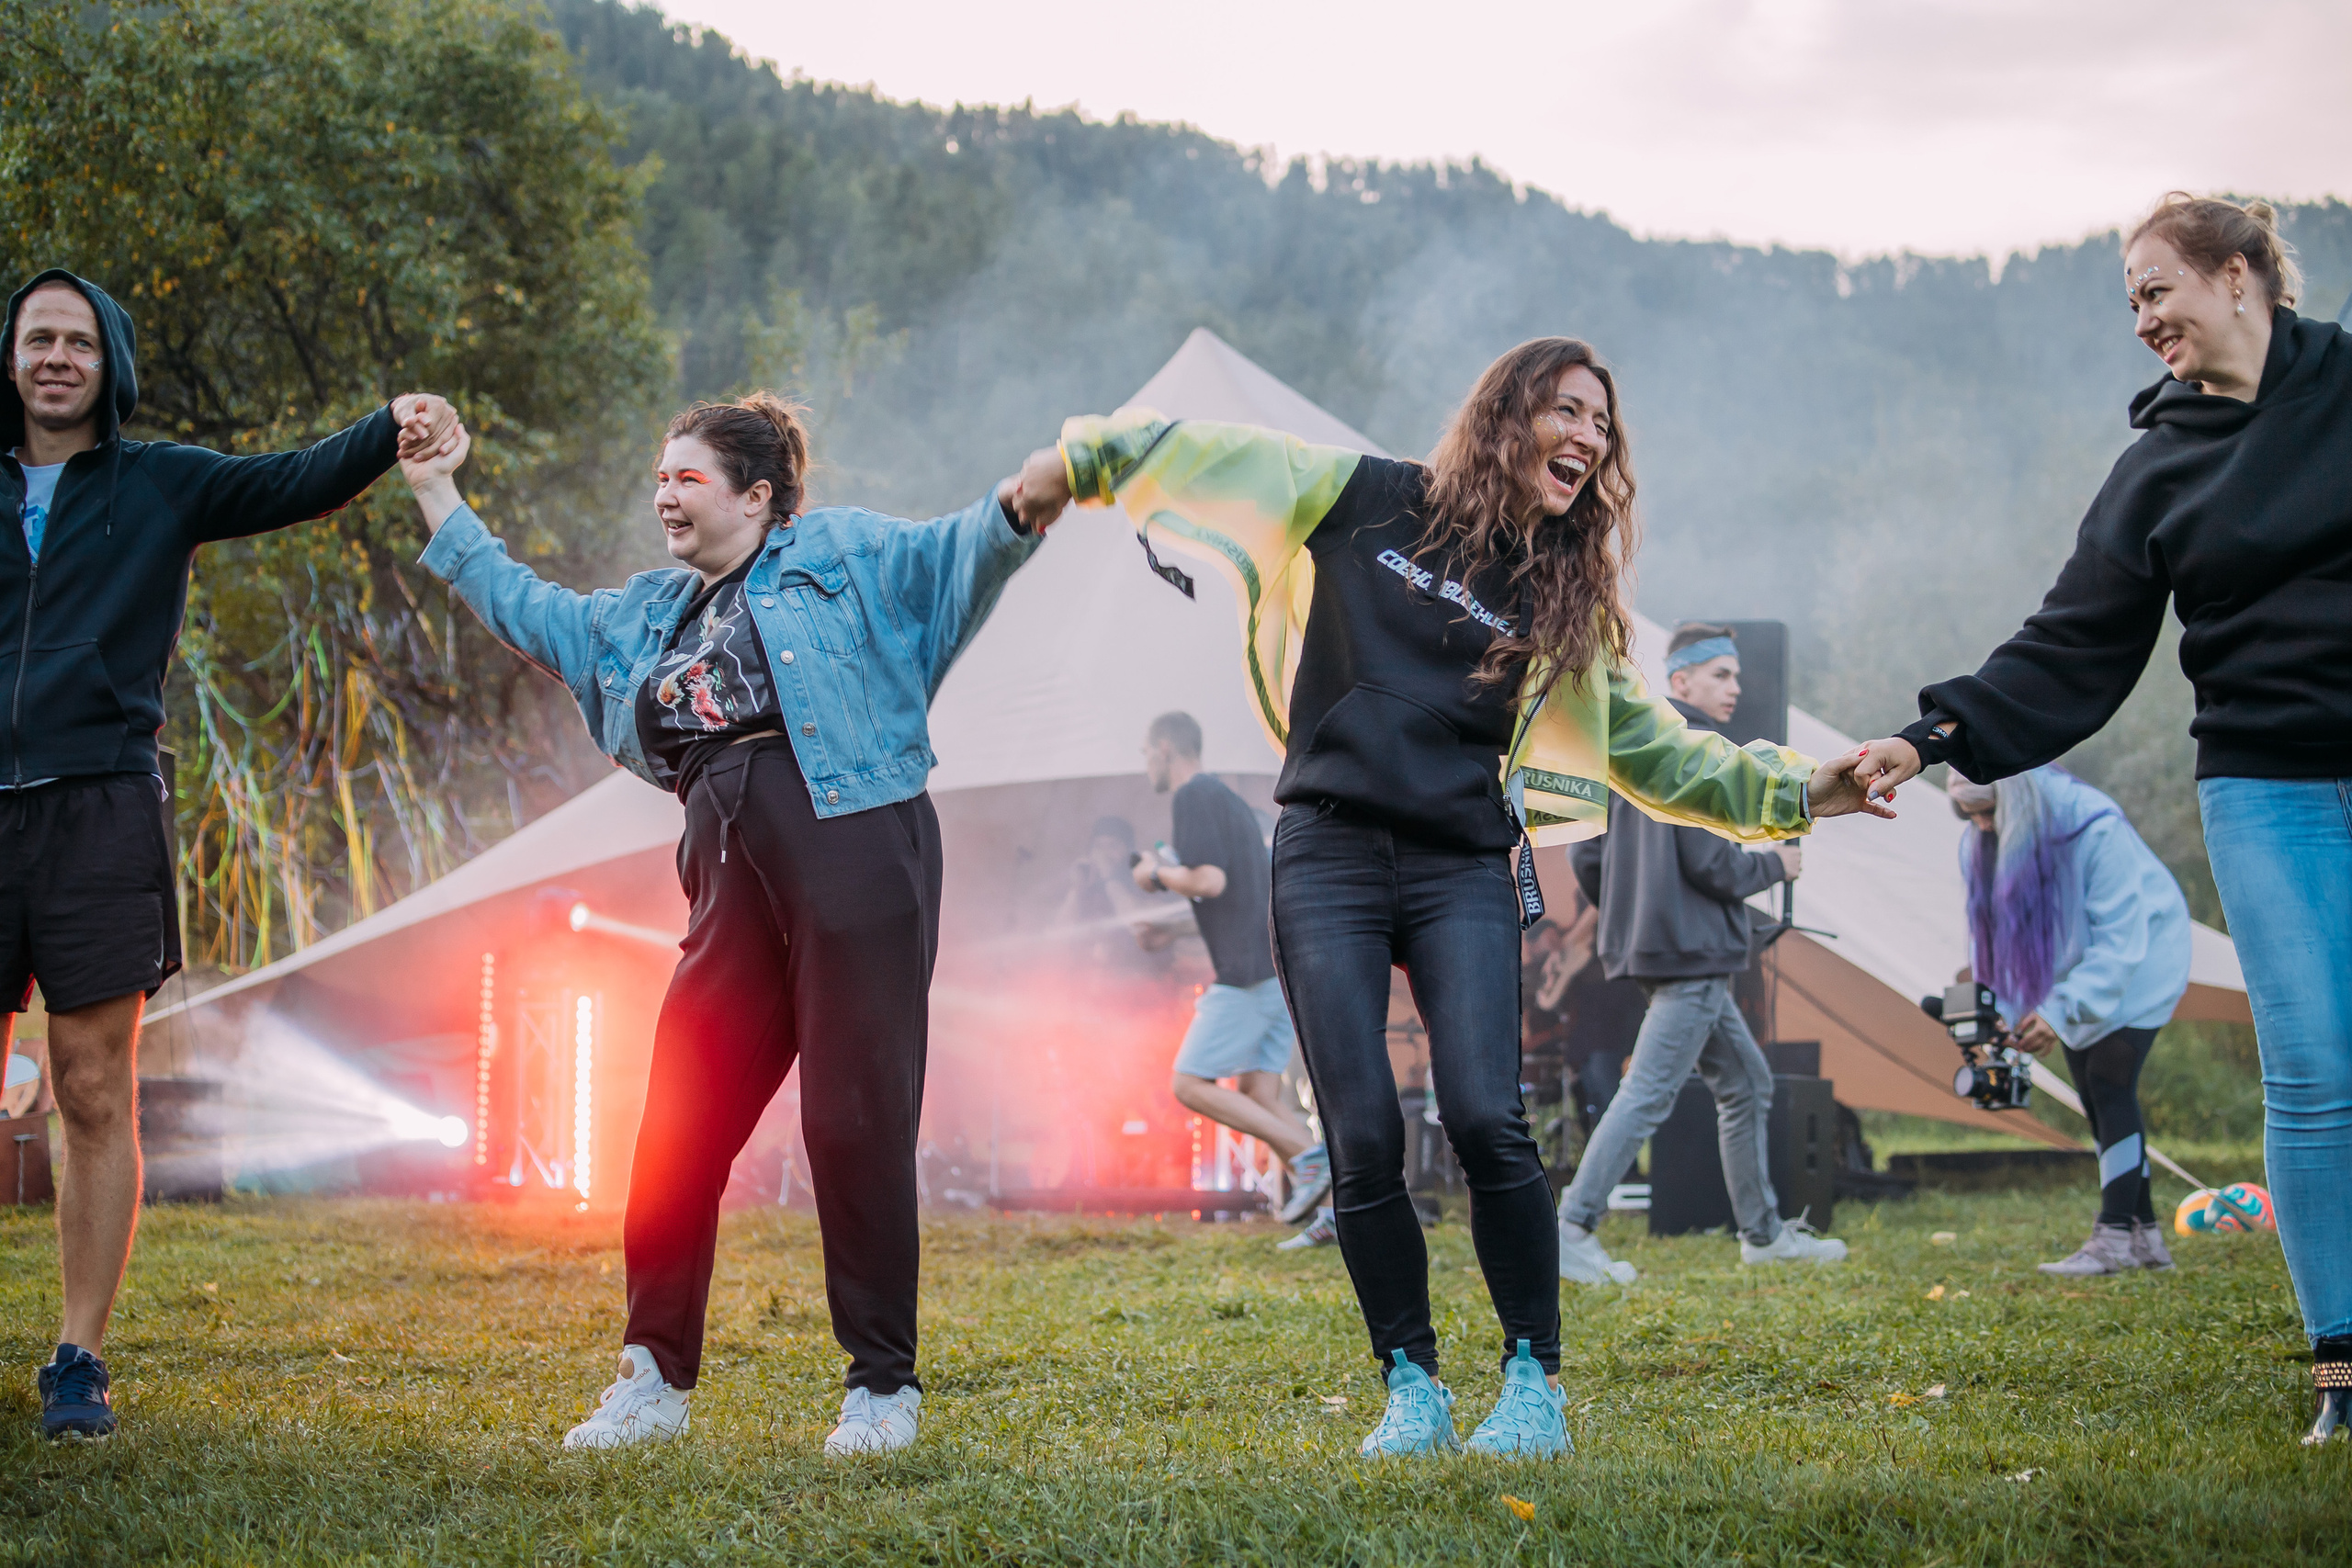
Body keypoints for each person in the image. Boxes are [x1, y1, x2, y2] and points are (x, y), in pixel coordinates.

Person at [1017, 337, 1885, 1460]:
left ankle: (1534, 1386)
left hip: (1459, 865)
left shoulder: (1561, 599)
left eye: (1601, 427)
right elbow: (1205, 453)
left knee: (1483, 1114)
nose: (1586, 438)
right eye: (1566, 411)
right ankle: (1410, 1387)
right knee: (1362, 1131)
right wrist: (1079, 462)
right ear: (1505, 413)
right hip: (1324, 853)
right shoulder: (1362, 497)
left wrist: (1804, 790)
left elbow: (1661, 755)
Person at [399, 391, 1053, 1457]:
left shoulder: (835, 554)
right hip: (728, 882)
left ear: (757, 497)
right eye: (658, 477)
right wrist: (435, 488)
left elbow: (955, 556)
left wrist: (1024, 502)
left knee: (852, 1122)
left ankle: (881, 1389)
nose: (664, 493)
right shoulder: (643, 615)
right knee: (672, 1130)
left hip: (857, 847)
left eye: (686, 476)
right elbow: (521, 603)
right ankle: (652, 1379)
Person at [1847, 193, 2352, 1445]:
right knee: (2314, 1077)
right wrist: (1929, 737)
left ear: (2242, 277)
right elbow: (2069, 648)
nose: (2143, 319)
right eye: (2131, 301)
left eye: (2156, 288)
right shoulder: (2160, 469)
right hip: (2268, 792)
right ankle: (2344, 1371)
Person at [0, 268, 453, 1440]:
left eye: (78, 342)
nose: (56, 357)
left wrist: (391, 423)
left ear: (112, 364)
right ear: (11, 359)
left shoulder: (159, 484)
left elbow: (292, 478)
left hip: (99, 808)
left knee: (93, 1088)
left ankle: (77, 1362)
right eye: (37, 339)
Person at [1553, 622, 1839, 1285]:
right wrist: (1776, 864)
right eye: (1720, 674)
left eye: (1736, 675)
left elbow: (1586, 852)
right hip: (1694, 949)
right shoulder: (1697, 749)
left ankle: (1763, 1234)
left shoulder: (1625, 747)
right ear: (1679, 681)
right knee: (1648, 1092)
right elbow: (1713, 862)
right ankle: (1572, 1225)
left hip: (1652, 947)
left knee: (1745, 1083)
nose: (1735, 688)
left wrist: (1631, 907)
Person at [1946, 769, 2191, 1276]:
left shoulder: (2094, 827)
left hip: (2141, 963)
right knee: (2095, 1095)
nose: (1983, 827)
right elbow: (1996, 942)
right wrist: (2006, 1014)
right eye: (1972, 817)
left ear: (2017, 801)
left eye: (1989, 813)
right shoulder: (1982, 843)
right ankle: (2146, 1243)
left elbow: (2122, 941)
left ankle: (2115, 1237)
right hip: (2074, 976)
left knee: (2108, 1081)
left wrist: (2059, 1011)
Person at [1126, 710, 1329, 1228]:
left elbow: (1209, 882)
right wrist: (1172, 933)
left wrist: (1155, 874)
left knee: (1189, 1084)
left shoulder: (1193, 795)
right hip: (1278, 972)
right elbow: (1237, 901)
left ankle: (1308, 1158)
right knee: (1259, 1095)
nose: (1146, 762)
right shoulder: (1230, 804)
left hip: (1248, 978)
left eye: (1147, 751)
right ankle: (1336, 1215)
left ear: (1166, 748)